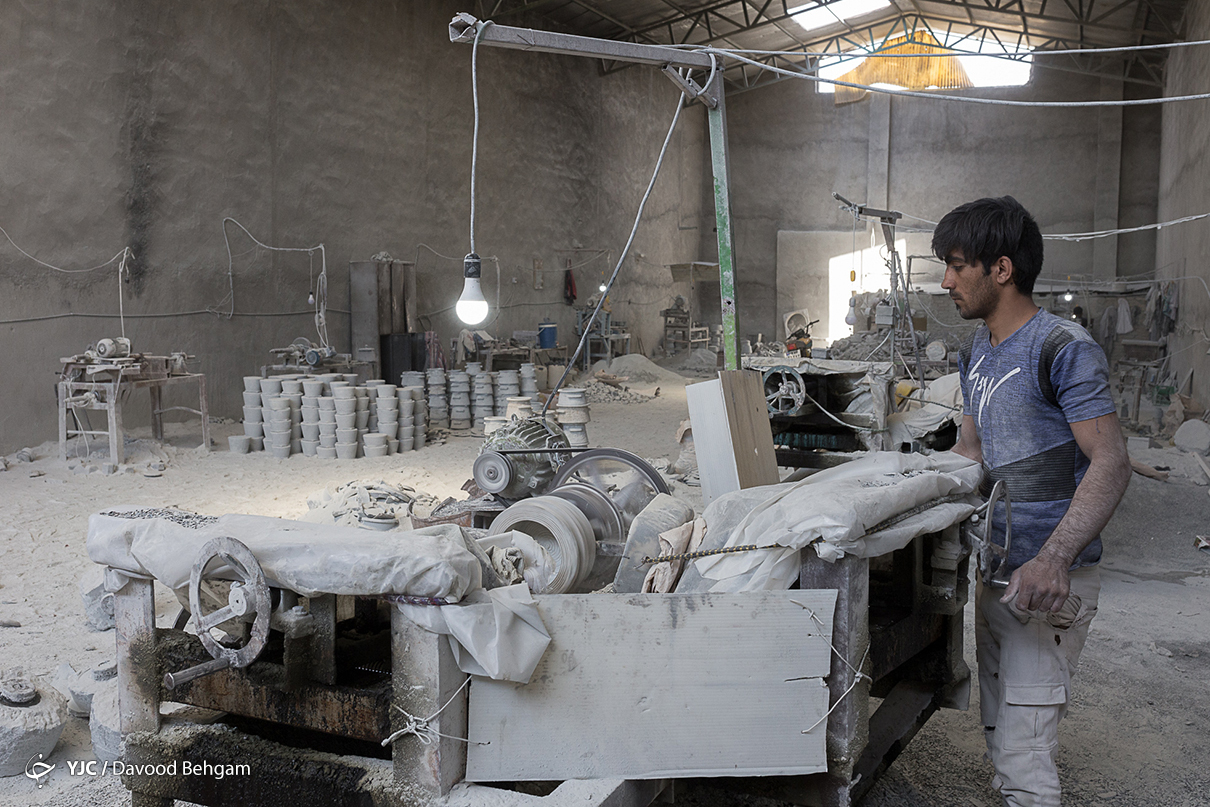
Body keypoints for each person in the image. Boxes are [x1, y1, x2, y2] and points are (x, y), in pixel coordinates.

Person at [934, 196, 1132, 807]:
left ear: (1001, 269)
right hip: (996, 571)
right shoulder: (978, 352)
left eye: (957, 264)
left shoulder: (1061, 347)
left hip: (1047, 581)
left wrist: (1054, 559)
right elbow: (970, 451)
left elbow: (1112, 461)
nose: (945, 280)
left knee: (1025, 759)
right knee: (999, 726)